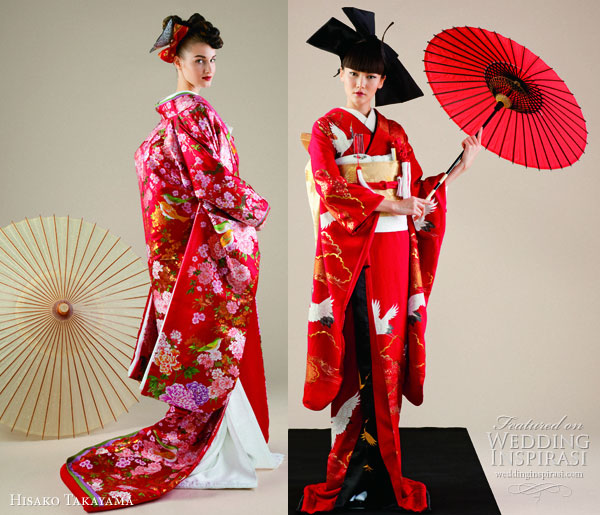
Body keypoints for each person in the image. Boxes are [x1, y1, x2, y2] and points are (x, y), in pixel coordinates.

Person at [60, 14, 280, 512]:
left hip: (177, 254)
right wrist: (259, 208)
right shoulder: (191, 114)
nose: (208, 68)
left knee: (207, 349)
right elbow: (211, 184)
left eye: (213, 61)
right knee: (213, 348)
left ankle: (230, 445)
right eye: (198, 59)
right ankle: (214, 457)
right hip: (201, 254)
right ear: (175, 60)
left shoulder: (169, 122)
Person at [299, 8, 482, 513]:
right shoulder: (325, 129)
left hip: (393, 252)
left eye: (369, 75)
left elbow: (418, 192)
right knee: (355, 351)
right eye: (352, 73)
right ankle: (345, 470)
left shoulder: (396, 133)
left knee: (387, 354)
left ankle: (385, 469)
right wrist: (391, 201)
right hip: (349, 256)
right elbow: (329, 188)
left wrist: (457, 170)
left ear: (383, 81)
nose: (360, 83)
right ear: (341, 75)